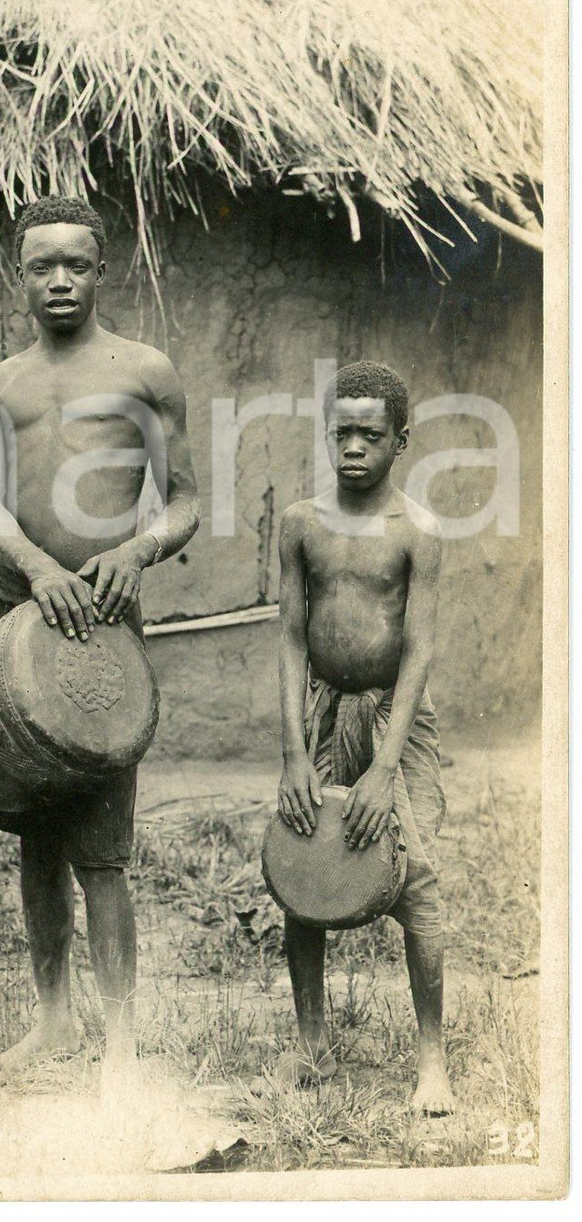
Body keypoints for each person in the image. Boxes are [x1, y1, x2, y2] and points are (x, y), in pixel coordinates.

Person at [0, 195, 200, 1077]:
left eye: (75, 263)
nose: (58, 279)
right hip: (17, 621)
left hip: (103, 623)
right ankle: (54, 1018)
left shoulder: (146, 371)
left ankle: (123, 1045)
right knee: (33, 835)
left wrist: (134, 552)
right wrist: (36, 567)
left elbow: (184, 501)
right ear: (18, 276)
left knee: (102, 848)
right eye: (40, 265)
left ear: (104, 270)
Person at [267, 360, 452, 1115]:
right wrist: (291, 753)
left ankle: (432, 1057)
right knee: (302, 861)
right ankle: (312, 1041)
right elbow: (286, 638)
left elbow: (420, 651)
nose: (352, 447)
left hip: (396, 722)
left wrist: (381, 770)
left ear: (399, 440)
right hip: (318, 713)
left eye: (369, 434)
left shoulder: (419, 531)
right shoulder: (301, 523)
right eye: (340, 431)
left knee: (419, 878)